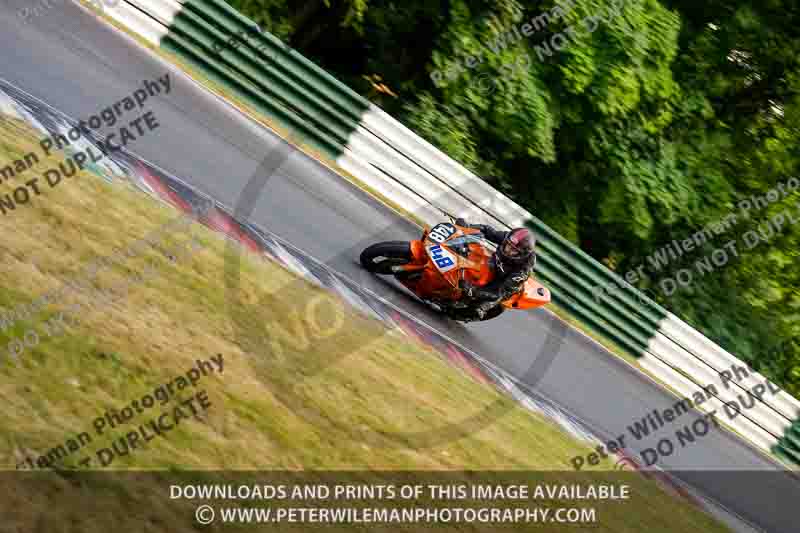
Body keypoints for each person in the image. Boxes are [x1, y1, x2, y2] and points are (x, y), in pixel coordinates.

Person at [450, 219, 537, 321]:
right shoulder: (509, 238)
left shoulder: (523, 269)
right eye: (508, 245)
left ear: (521, 254)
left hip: (504, 282)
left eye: (513, 250)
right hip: (493, 263)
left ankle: (471, 311)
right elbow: (487, 230)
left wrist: (472, 291)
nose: (508, 250)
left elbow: (500, 292)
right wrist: (468, 226)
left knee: (481, 306)